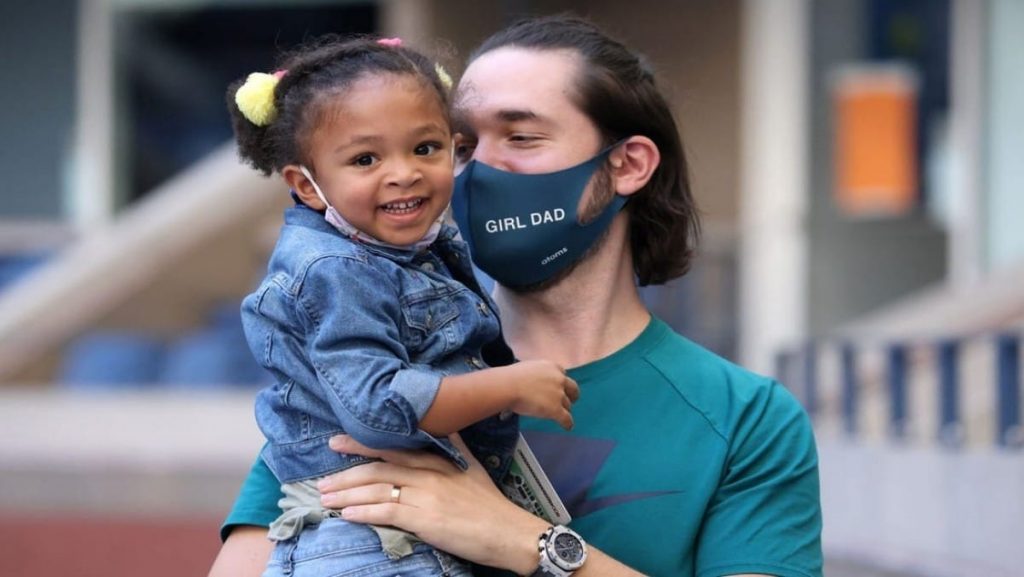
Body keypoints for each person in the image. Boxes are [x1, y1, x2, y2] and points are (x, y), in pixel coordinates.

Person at [210, 15, 823, 577]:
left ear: (628, 164)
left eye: (521, 138)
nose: (477, 171)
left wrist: (526, 543)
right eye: (463, 145)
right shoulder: (356, 373)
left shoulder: (746, 417)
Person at [223, 34, 580, 577]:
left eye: (425, 148)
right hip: (373, 544)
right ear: (308, 185)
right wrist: (510, 385)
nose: (404, 172)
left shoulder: (409, 252)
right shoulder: (336, 269)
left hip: (404, 533)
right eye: (366, 158)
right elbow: (379, 408)